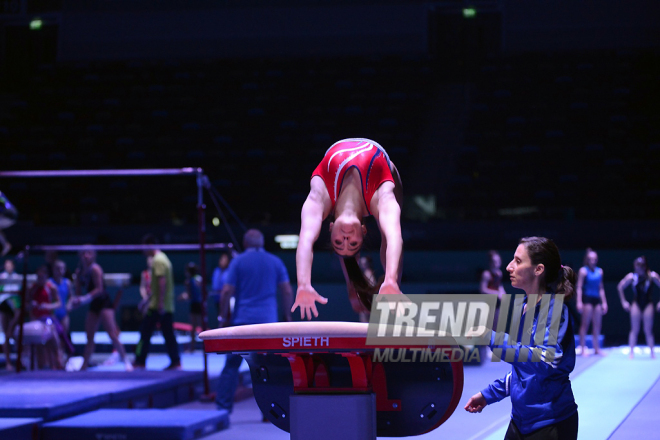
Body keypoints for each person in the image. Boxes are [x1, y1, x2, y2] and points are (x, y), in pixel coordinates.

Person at [465, 237, 579, 440]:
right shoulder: (524, 305)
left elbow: (544, 361)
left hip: (551, 424)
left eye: (518, 261)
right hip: (520, 422)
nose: (509, 267)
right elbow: (523, 371)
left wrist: (491, 336)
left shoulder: (553, 309)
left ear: (538, 269)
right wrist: (489, 394)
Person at [292, 138, 404, 321]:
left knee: (388, 234)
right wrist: (391, 279)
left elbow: (305, 239)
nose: (345, 238)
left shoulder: (321, 195)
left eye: (338, 241)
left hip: (336, 152)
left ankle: (363, 285)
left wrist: (303, 283)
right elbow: (394, 237)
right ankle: (392, 286)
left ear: (330, 227)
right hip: (383, 167)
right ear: (363, 231)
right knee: (391, 230)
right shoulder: (379, 198)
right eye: (353, 243)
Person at [216, 229, 294, 413]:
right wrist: (287, 315)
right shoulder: (275, 261)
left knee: (231, 365)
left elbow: (226, 291)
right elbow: (287, 291)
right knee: (270, 368)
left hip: (243, 321)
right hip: (268, 323)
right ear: (263, 243)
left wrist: (222, 316)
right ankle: (272, 412)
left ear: (245, 244)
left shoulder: (238, 261)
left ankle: (223, 409)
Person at [72, 246, 132, 371]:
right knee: (89, 337)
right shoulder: (79, 272)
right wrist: (76, 299)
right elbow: (78, 292)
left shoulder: (96, 269)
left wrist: (85, 298)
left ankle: (126, 360)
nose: (85, 256)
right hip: (93, 304)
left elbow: (99, 289)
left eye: (88, 253)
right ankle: (84, 366)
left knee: (112, 334)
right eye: (83, 253)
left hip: (104, 303)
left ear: (93, 255)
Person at [134, 234, 181, 370]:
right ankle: (175, 361)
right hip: (162, 304)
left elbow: (162, 283)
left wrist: (159, 303)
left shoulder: (158, 260)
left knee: (145, 333)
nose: (143, 251)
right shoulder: (162, 258)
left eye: (144, 248)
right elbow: (156, 286)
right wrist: (146, 301)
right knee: (167, 334)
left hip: (159, 306)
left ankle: (139, 361)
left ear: (150, 245)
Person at [617, 256, 660, 359]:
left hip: (648, 303)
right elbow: (620, 287)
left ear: (645, 266)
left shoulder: (652, 276)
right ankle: (631, 352)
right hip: (636, 303)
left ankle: (652, 353)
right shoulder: (632, 277)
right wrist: (623, 302)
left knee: (648, 330)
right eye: (636, 266)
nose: (638, 268)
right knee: (634, 329)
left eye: (640, 266)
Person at [27, 266, 64, 369]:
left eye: (42, 277)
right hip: (36, 320)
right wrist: (31, 304)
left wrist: (47, 306)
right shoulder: (32, 288)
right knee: (39, 345)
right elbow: (25, 305)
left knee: (54, 342)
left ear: (46, 277)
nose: (40, 279)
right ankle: (41, 366)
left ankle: (58, 364)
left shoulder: (51, 287)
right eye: (39, 277)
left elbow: (59, 303)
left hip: (48, 319)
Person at [576, 248, 608, 356]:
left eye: (594, 259)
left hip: (597, 299)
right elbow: (579, 287)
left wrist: (604, 302)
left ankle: (596, 348)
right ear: (587, 260)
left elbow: (601, 288)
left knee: (597, 325)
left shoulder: (600, 271)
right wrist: (579, 301)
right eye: (590, 259)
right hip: (587, 299)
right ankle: (582, 347)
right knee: (585, 324)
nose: (592, 261)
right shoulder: (583, 271)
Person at [0, 259, 22, 370]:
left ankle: (20, 361)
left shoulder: (17, 278)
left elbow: (19, 295)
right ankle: (8, 362)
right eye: (6, 265)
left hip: (15, 307)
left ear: (13, 266)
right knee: (6, 336)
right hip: (4, 306)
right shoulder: (1, 277)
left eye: (10, 265)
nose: (8, 267)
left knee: (15, 335)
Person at [178, 262, 203, 353]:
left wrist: (182, 297)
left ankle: (193, 347)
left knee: (195, 327)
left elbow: (189, 295)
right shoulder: (198, 279)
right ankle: (193, 347)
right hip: (197, 304)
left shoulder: (190, 281)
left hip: (197, 304)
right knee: (196, 327)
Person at [480, 250, 507, 328]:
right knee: (487, 327)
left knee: (496, 326)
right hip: (487, 303)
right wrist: (496, 293)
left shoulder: (499, 273)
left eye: (498, 261)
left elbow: (499, 286)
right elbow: (482, 289)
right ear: (490, 263)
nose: (496, 264)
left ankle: (494, 340)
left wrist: (503, 293)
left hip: (496, 304)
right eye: (494, 262)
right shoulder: (486, 274)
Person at [211, 252, 231, 324]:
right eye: (222, 259)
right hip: (217, 299)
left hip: (226, 300)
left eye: (225, 260)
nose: (223, 261)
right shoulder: (216, 271)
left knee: (226, 320)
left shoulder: (229, 271)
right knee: (220, 319)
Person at [0, 191, 17, 257]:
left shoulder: (1, 196)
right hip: (6, 215)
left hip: (10, 215)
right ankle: (6, 245)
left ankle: (6, 245)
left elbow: (3, 200)